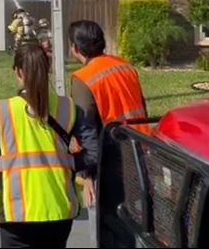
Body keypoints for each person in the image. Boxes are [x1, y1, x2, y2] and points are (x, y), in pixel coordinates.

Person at [0, 44, 99, 249]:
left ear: (18, 72)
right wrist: (70, 161)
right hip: (59, 209)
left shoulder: (1, 111)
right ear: (49, 69)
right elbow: (94, 151)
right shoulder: (68, 107)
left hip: (16, 212)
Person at [67, 20, 150, 247]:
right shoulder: (124, 65)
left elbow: (86, 131)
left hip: (112, 161)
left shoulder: (83, 79)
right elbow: (141, 107)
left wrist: (86, 177)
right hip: (141, 151)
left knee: (112, 230)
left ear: (75, 48)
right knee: (136, 224)